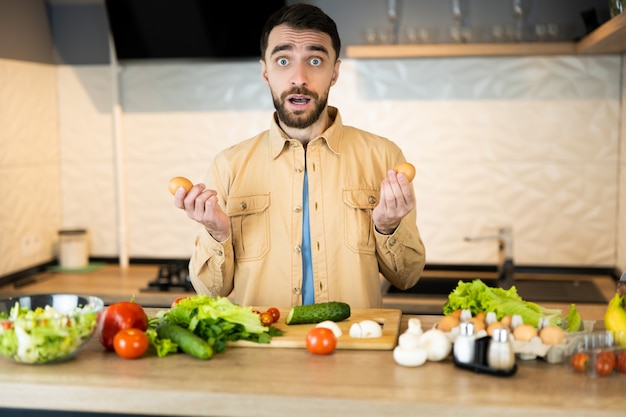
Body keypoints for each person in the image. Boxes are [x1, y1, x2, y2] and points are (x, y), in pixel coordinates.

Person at [174, 3, 426, 308]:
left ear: (335, 72)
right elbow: (210, 292)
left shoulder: (384, 157)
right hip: (264, 350)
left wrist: (388, 227)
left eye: (315, 60)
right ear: (265, 71)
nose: (299, 78)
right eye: (283, 60)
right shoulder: (228, 166)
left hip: (354, 349)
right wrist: (217, 233)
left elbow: (408, 277)